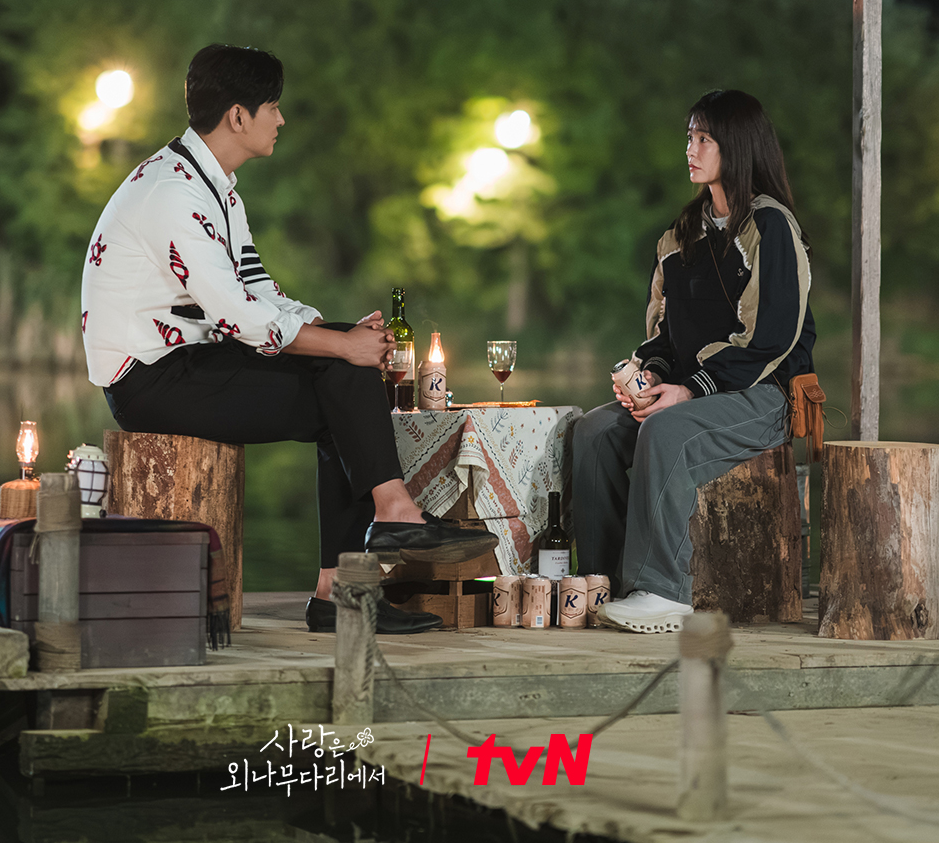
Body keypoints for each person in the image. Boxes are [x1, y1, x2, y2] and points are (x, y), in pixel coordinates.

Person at [81, 44, 496, 635]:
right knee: (342, 378)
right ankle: (379, 536)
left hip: (191, 358)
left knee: (342, 374)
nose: (281, 119)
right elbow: (236, 315)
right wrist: (341, 347)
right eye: (272, 106)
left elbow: (256, 288)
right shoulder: (172, 193)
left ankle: (350, 573)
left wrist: (334, 332)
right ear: (238, 116)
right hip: (149, 379)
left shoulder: (213, 184)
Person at [573, 89, 815, 633]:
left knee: (666, 432)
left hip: (762, 396)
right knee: (594, 432)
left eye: (704, 138)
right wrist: (650, 377)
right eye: (689, 137)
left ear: (737, 146)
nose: (690, 148)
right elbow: (664, 332)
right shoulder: (680, 236)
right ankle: (598, 583)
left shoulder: (771, 227)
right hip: (690, 394)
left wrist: (689, 390)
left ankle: (662, 592)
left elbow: (769, 339)